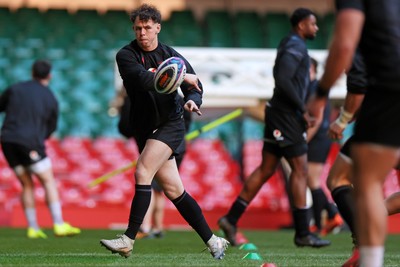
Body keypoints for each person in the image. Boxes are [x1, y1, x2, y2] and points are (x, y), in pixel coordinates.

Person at [99, 4, 229, 260]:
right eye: (138, 28)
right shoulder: (125, 56)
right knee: (174, 191)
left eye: (147, 27)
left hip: (170, 124)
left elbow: (195, 85)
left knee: (142, 171)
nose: (142, 33)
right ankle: (214, 241)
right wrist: (184, 80)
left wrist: (193, 100)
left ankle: (128, 239)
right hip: (145, 128)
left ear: (158, 27)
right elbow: (146, 81)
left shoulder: (171, 55)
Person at [218, 8, 330, 248]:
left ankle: (231, 218)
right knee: (300, 170)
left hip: (280, 114)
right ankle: (302, 232)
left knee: (267, 168)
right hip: (285, 116)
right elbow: (282, 78)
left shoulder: (294, 45)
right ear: (301, 25)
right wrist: (301, 109)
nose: (316, 28)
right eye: (313, 24)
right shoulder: (294, 45)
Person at [307, 1, 400, 266]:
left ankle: (366, 257)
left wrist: (321, 94)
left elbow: (345, 46)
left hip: (388, 88)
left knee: (348, 180)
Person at [0, 60, 81, 239]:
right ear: (49, 76)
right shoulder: (50, 97)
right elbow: (51, 127)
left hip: (7, 141)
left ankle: (33, 228)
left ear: (32, 72)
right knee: (48, 181)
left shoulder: (15, 88)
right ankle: (59, 224)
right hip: (29, 143)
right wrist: (37, 140)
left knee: (26, 184)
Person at [306, 57, 343, 235]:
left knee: (312, 181)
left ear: (312, 68)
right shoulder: (312, 87)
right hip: (319, 139)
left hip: (317, 139)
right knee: (311, 181)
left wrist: (304, 140)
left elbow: (318, 119)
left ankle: (327, 219)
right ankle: (329, 215)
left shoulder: (315, 88)